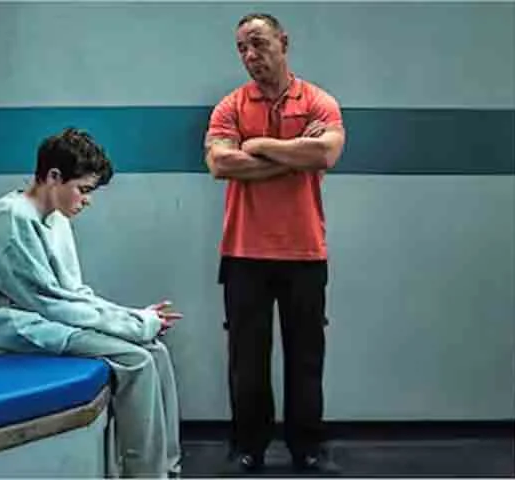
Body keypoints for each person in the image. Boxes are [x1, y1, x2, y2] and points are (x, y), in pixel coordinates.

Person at [0, 127, 183, 478]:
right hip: (8, 326)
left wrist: (135, 317)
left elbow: (74, 293)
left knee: (156, 352)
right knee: (137, 360)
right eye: (83, 189)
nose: (87, 200)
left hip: (43, 318)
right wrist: (135, 326)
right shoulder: (11, 218)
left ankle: (169, 467)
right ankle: (145, 474)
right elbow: (49, 302)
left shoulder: (56, 219)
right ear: (53, 177)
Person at [204, 13, 346, 474]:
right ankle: (249, 447)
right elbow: (221, 165)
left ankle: (308, 447)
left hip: (304, 251)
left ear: (283, 42)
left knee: (306, 356)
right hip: (243, 252)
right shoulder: (229, 107)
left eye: (259, 43)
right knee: (247, 359)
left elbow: (325, 152)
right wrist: (294, 156)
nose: (251, 55)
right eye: (242, 48)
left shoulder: (319, 102)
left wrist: (257, 144)